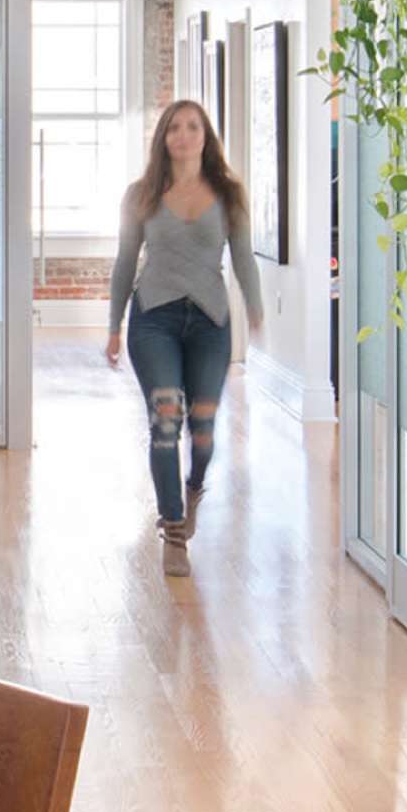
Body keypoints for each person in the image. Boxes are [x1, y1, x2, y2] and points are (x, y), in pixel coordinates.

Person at [103, 98, 266, 577]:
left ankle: (193, 487)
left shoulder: (229, 194)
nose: (183, 135)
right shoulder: (141, 194)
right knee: (166, 417)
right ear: (164, 138)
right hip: (154, 318)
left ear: (205, 136)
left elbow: (243, 259)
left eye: (192, 127)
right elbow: (124, 261)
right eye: (174, 127)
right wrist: (114, 325)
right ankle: (174, 530)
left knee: (203, 430)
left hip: (211, 323)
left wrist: (254, 308)